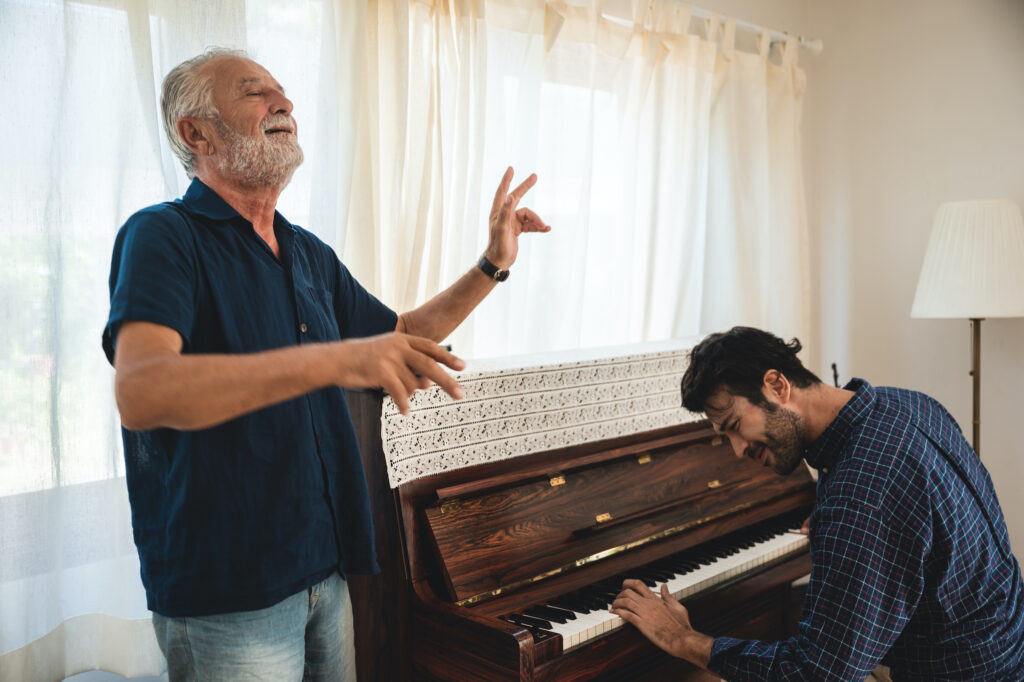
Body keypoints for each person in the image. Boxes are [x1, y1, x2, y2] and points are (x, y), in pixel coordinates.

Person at [102, 48, 549, 681]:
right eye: (255, 92)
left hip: (324, 571)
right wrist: (336, 359)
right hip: (228, 592)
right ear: (195, 133)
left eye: (284, 92)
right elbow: (144, 392)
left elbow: (400, 337)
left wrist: (492, 264)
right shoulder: (161, 236)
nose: (282, 103)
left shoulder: (306, 251)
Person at [610, 326, 1024, 681]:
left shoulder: (861, 493)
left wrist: (686, 641)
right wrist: (843, 528)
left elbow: (817, 672)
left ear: (777, 385)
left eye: (735, 425)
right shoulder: (907, 405)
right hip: (1005, 648)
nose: (736, 451)